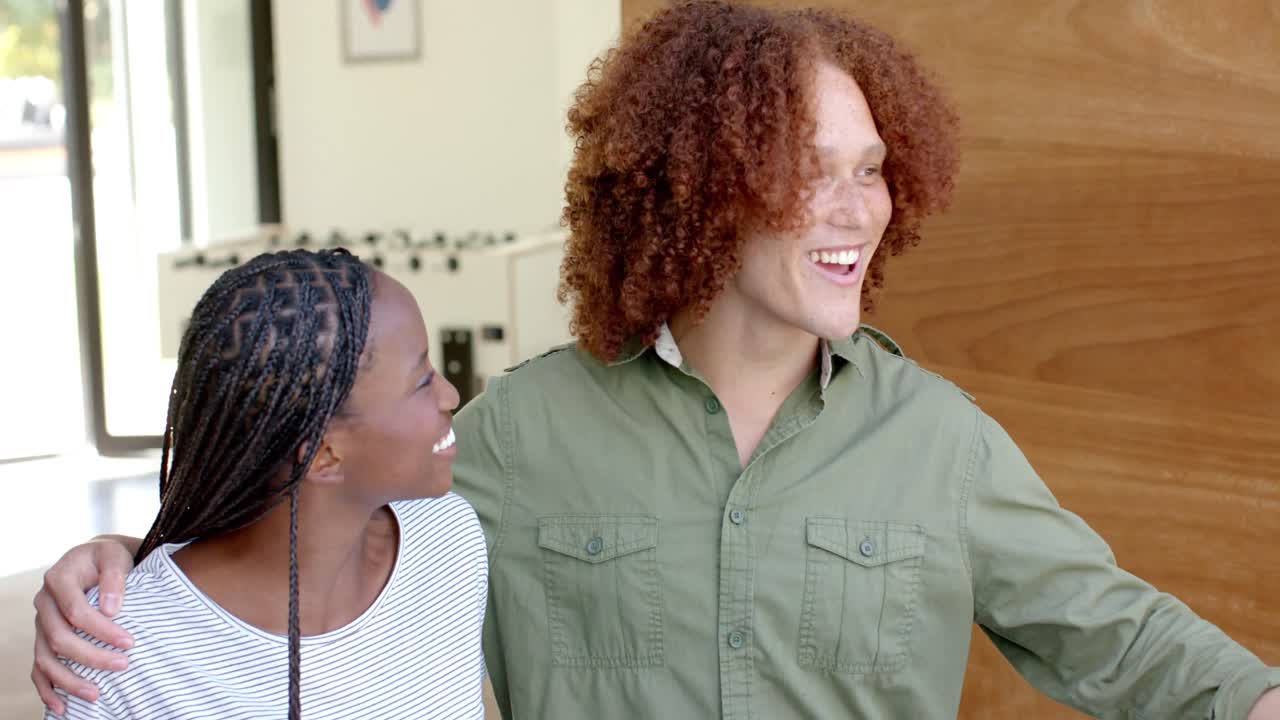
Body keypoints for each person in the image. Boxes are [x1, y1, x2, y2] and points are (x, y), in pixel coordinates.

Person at [31, 2, 1280, 718]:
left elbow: (1129, 648)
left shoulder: (937, 442)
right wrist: (124, 566)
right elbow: (302, 508)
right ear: (704, 190)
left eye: (872, 172)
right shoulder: (515, 438)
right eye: (812, 175)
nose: (859, 213)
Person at [35, 248, 485, 719]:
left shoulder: (450, 540)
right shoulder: (118, 656)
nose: (451, 394)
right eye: (421, 380)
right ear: (323, 453)